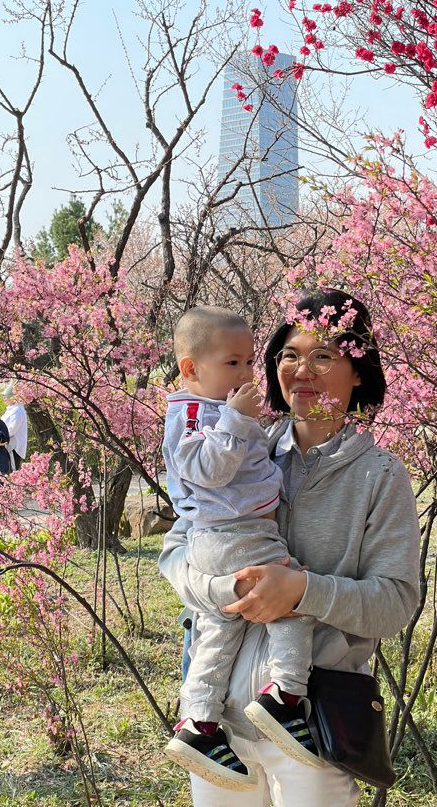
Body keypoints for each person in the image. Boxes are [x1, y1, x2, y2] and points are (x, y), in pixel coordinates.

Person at [158, 289, 421, 807]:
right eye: (288, 355)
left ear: (359, 372)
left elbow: (395, 602)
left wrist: (300, 591)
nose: (302, 369)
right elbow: (175, 553)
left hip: (312, 722)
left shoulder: (380, 476)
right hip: (218, 724)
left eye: (323, 355)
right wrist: (222, 589)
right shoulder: (239, 446)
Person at [162, 307, 320, 790]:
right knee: (291, 599)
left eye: (250, 362)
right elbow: (209, 471)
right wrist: (235, 419)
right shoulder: (195, 414)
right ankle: (286, 695)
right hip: (236, 533)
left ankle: (199, 723)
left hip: (222, 538)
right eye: (233, 363)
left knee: (217, 630)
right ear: (191, 368)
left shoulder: (211, 410)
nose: (246, 374)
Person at [1, 384, 28, 471]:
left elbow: (11, 429)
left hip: (13, 447)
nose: (4, 398)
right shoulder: (11, 409)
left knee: (12, 472)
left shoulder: (17, 409)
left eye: (6, 396)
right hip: (6, 445)